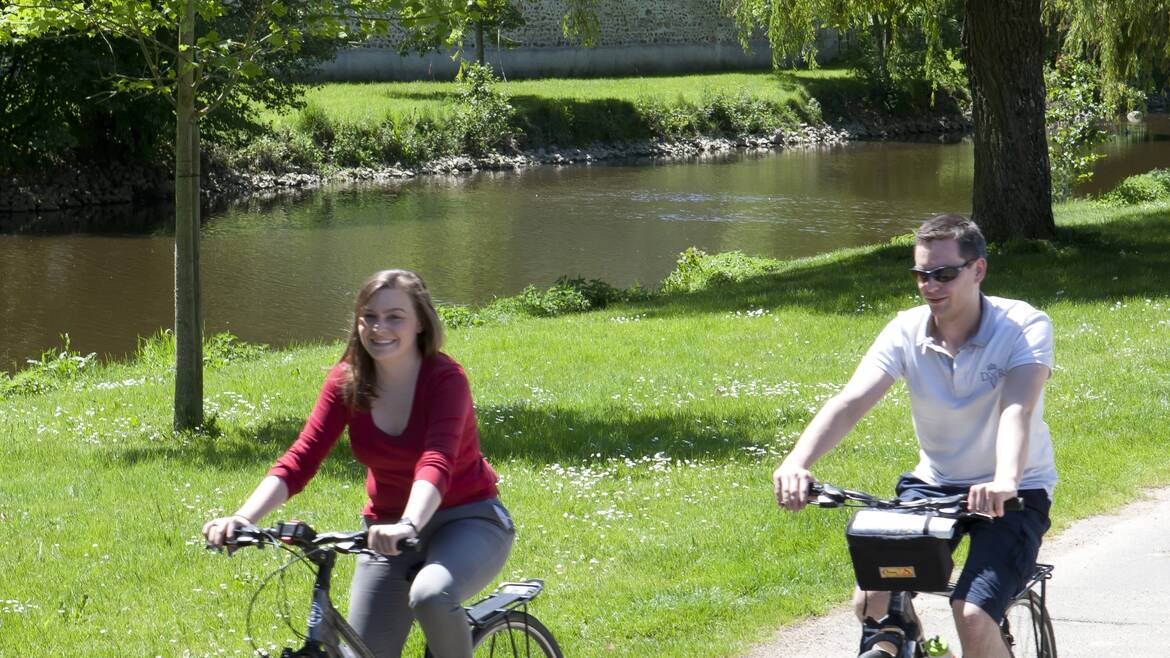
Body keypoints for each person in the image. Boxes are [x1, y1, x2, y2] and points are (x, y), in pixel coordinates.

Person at [772, 214, 1056, 658]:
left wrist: (1004, 480)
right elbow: (850, 402)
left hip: (1014, 492)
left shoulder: (1023, 325)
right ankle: (908, 640)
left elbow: (1016, 409)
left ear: (977, 269)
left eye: (944, 274)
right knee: (871, 600)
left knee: (972, 613)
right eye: (921, 275)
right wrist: (797, 462)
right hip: (934, 485)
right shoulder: (906, 329)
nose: (930, 285)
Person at [203, 269, 515, 658]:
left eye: (394, 316)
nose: (379, 327)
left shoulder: (445, 379)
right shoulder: (346, 382)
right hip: (384, 531)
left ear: (420, 322)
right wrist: (243, 518)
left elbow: (437, 460)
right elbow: (301, 458)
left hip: (467, 519)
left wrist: (409, 523)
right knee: (366, 652)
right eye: (369, 316)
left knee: (431, 593)